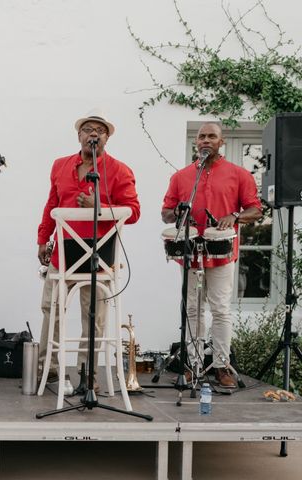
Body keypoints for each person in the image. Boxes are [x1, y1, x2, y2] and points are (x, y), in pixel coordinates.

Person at [37, 109, 140, 387]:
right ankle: (49, 369)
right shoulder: (60, 165)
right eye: (88, 129)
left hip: (99, 253)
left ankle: (87, 375)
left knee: (92, 316)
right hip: (62, 252)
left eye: (100, 130)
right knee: (52, 308)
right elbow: (51, 205)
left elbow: (133, 211)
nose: (93, 134)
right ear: (78, 134)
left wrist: (100, 208)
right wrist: (42, 238)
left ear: (107, 137)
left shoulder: (119, 169)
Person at [161, 122, 262, 388]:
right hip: (190, 253)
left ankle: (221, 365)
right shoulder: (182, 177)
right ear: (196, 143)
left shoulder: (238, 174)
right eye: (202, 136)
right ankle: (194, 364)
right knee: (192, 310)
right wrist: (178, 213)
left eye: (211, 136)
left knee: (220, 309)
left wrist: (235, 216)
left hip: (221, 254)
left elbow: (256, 209)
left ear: (221, 141)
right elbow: (166, 212)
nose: (206, 140)